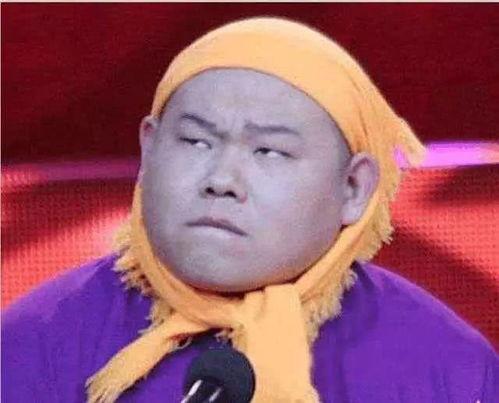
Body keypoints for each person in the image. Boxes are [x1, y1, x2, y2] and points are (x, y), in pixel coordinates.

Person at [2, 17, 498, 403]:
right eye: (196, 142)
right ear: (149, 151)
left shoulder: (445, 364)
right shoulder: (31, 343)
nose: (221, 180)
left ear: (353, 188)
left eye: (269, 152)